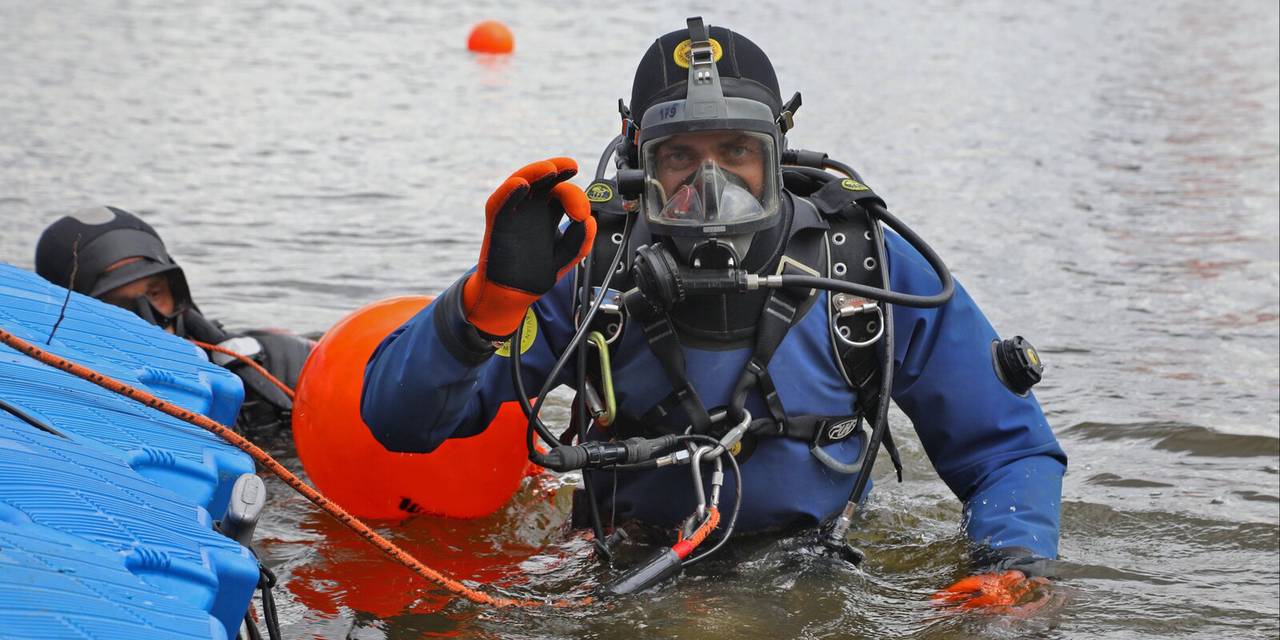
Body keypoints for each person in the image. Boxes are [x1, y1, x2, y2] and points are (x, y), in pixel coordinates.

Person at [360, 18, 1066, 607]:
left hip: (816, 564)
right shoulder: (581, 268)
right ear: (637, 157)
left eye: (736, 153)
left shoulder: (867, 266)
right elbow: (400, 424)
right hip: (627, 565)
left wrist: (1012, 563)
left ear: (777, 150)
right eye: (679, 158)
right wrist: (481, 306)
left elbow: (1004, 447)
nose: (710, 183)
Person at [35, 206, 314, 436]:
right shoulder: (51, 410)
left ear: (179, 293)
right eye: (119, 306)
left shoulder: (280, 364)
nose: (150, 322)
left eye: (156, 293)